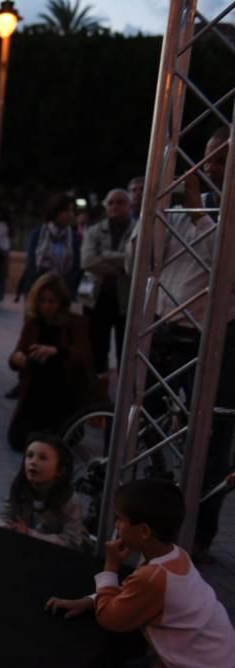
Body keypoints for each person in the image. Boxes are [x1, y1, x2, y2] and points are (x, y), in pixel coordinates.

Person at [126, 127, 233, 565]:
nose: (209, 169)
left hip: (215, 341)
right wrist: (154, 207)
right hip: (162, 331)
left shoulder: (208, 216)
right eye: (208, 158)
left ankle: (199, 534)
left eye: (222, 160)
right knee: (139, 424)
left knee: (209, 439)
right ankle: (143, 518)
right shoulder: (186, 206)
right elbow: (139, 260)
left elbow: (224, 261)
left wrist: (195, 217)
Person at [45, 479, 235, 667]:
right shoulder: (176, 555)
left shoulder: (153, 578)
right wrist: (90, 601)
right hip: (218, 651)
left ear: (144, 531)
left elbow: (109, 618)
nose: (116, 525)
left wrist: (111, 566)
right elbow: (131, 593)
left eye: (120, 519)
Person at [7, 272, 99, 451]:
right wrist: (17, 357)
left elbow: (82, 355)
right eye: (42, 301)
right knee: (19, 440)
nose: (47, 306)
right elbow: (17, 354)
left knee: (55, 443)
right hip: (34, 395)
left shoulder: (75, 323)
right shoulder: (33, 323)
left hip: (62, 395)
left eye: (52, 301)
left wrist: (56, 352)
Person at [0, 435, 85, 550]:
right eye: (29, 456)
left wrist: (30, 534)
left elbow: (72, 543)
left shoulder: (70, 501)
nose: (33, 462)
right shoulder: (19, 490)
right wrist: (5, 526)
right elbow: (1, 517)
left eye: (42, 458)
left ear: (60, 470)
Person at [80, 189, 134, 374]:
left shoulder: (137, 230)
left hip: (126, 300)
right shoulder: (94, 231)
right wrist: (123, 264)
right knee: (96, 349)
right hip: (97, 298)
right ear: (105, 206)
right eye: (111, 203)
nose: (115, 206)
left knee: (125, 351)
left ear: (129, 205)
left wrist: (105, 255)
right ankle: (97, 392)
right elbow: (87, 261)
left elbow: (138, 263)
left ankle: (122, 393)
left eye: (120, 202)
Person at [20, 194, 82, 298]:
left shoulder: (74, 238)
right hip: (39, 290)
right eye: (66, 211)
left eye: (71, 211)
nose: (70, 215)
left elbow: (76, 267)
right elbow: (32, 264)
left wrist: (63, 285)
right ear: (55, 212)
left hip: (63, 293)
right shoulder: (38, 234)